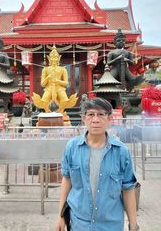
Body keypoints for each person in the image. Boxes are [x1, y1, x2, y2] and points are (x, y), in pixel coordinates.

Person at [56, 97, 139, 231]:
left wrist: (133, 225)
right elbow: (67, 181)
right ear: (84, 118)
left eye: (101, 114)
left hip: (110, 224)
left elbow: (128, 189)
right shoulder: (72, 147)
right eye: (91, 114)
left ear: (110, 119)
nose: (95, 119)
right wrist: (60, 216)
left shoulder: (121, 151)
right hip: (78, 222)